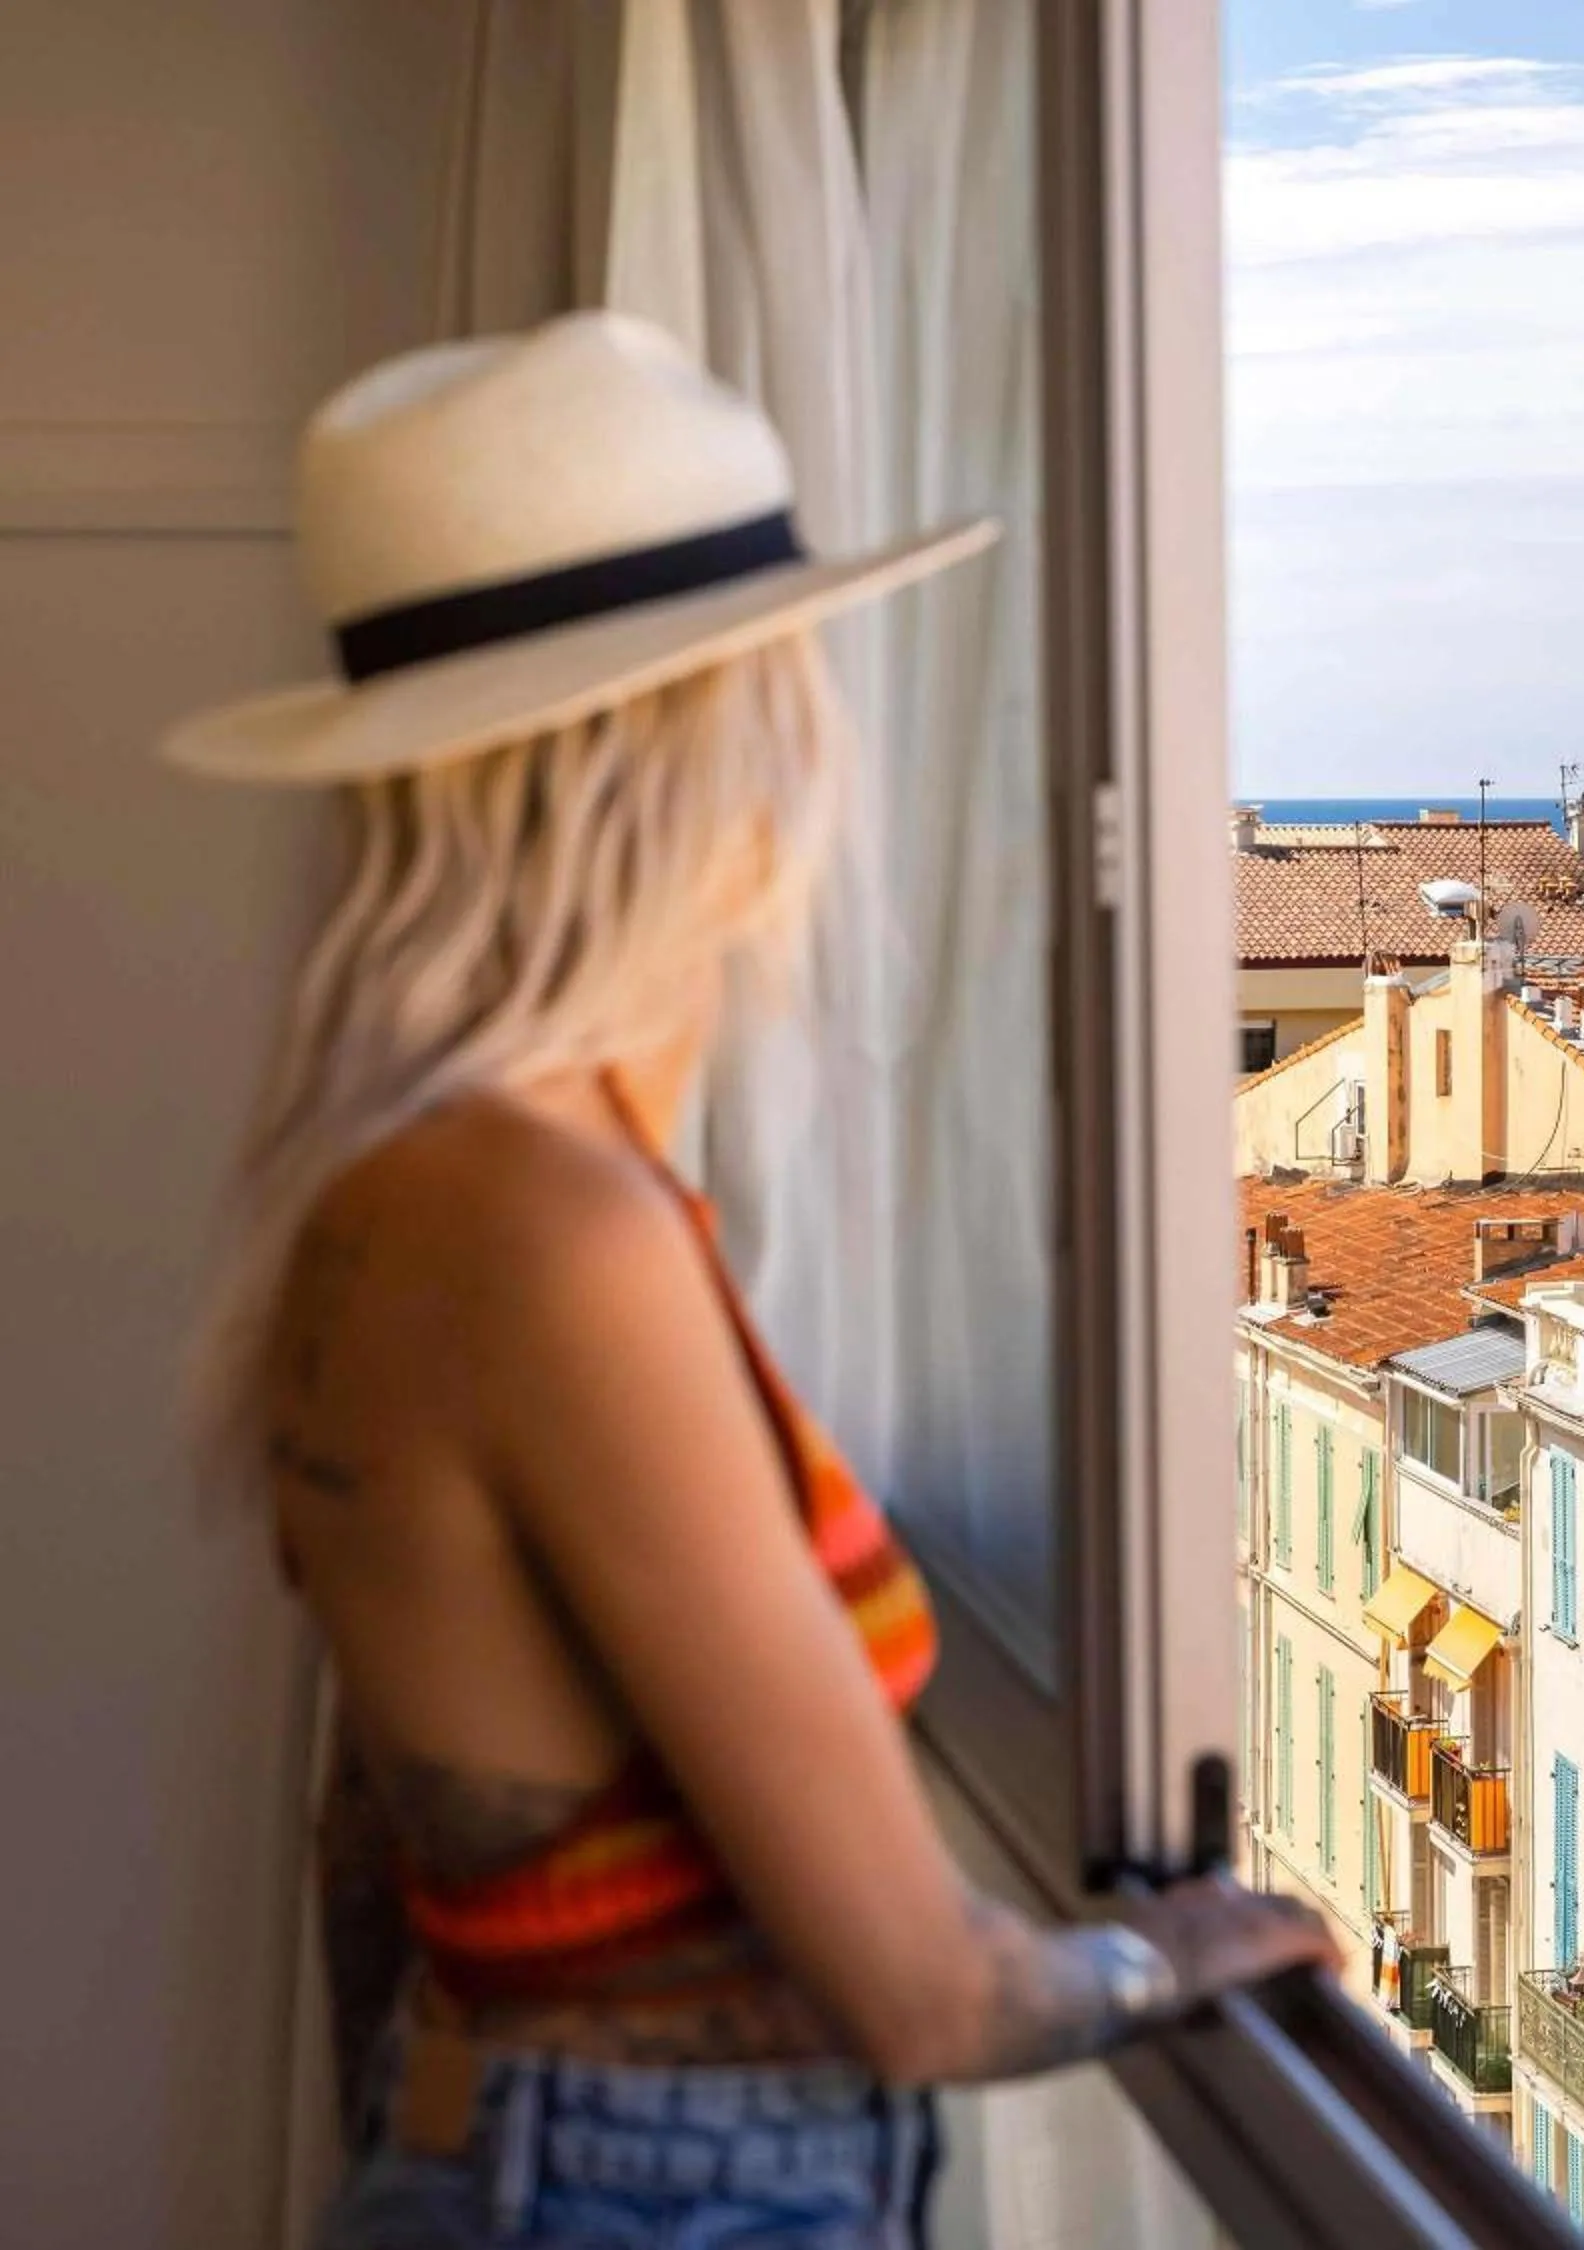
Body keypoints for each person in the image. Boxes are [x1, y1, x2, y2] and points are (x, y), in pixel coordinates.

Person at [166, 312, 1339, 2247]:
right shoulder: (556, 1232)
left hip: (506, 2145)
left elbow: (380, 1861)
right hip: (647, 2197)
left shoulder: (384, 1194)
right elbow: (927, 1991)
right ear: (708, 749)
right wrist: (1171, 1951)